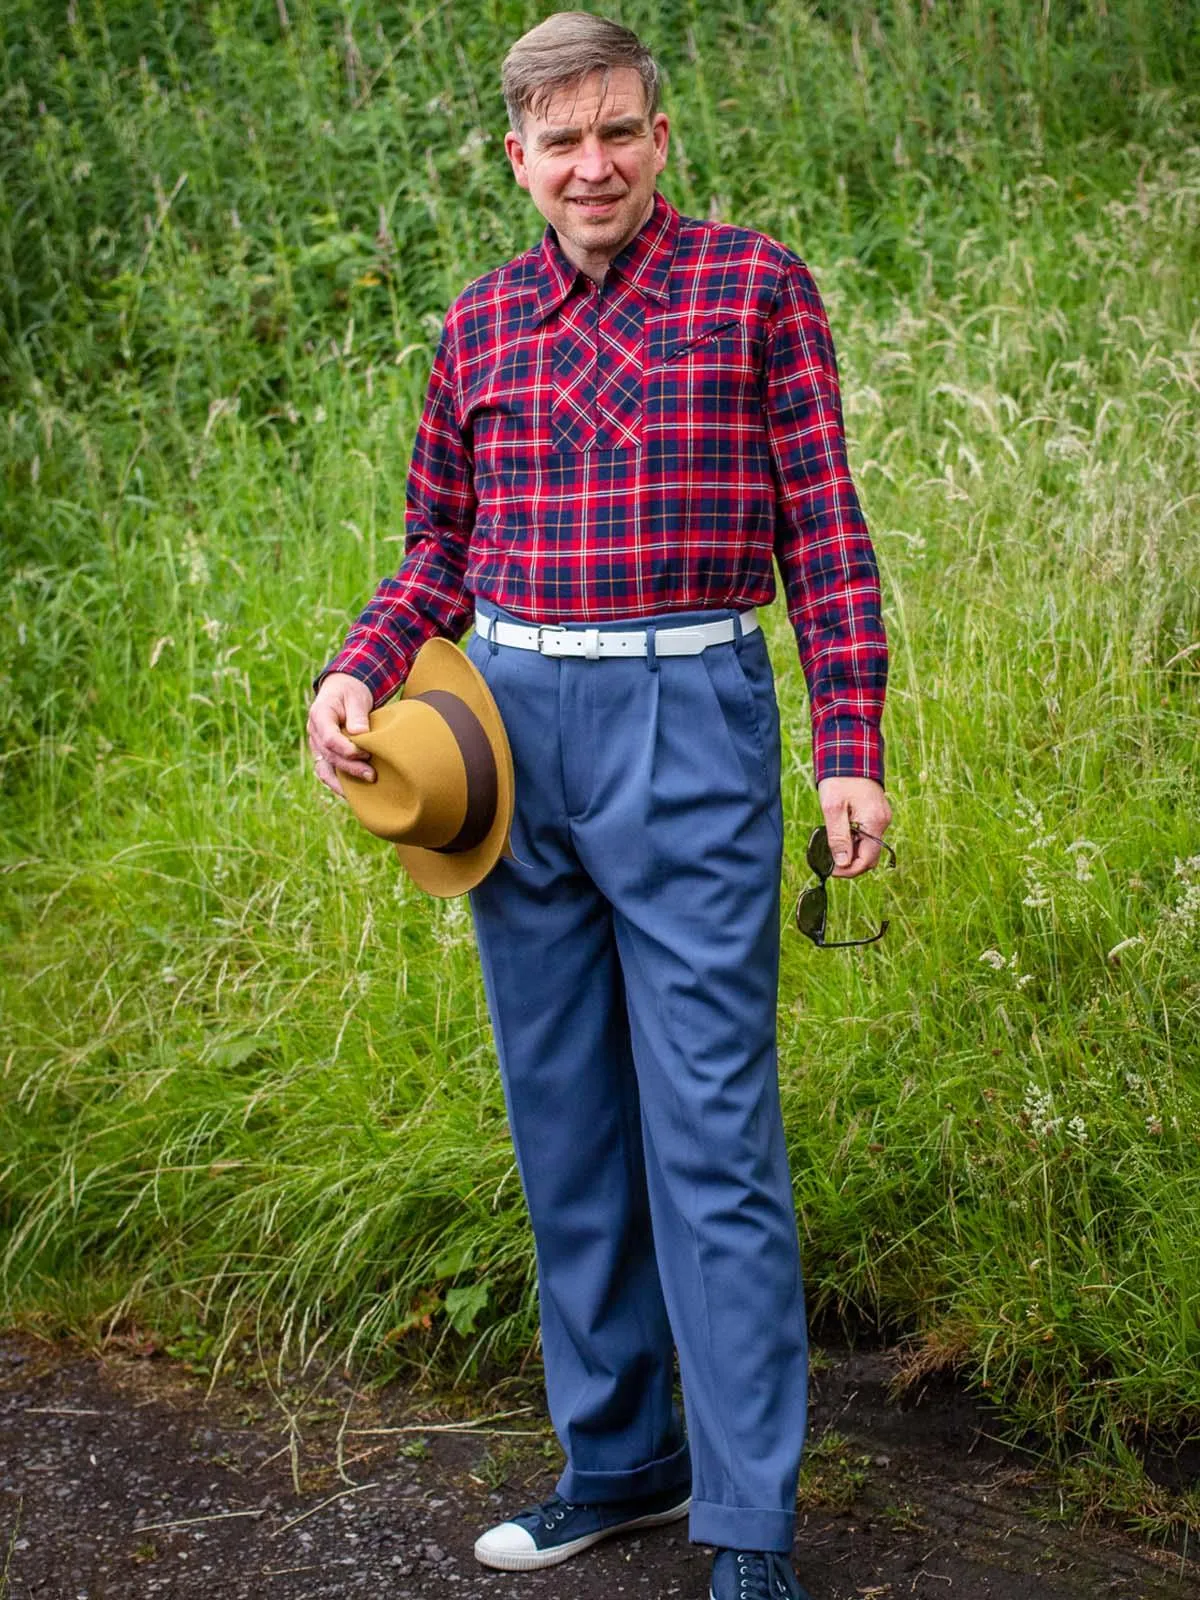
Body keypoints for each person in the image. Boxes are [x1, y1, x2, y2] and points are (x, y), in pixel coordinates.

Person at [307, 13, 890, 1599]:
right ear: (518, 159)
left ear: (658, 134)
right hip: (508, 732)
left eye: (618, 132)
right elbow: (436, 546)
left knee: (711, 1132)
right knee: (566, 1123)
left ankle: (748, 1522)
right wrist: (357, 669)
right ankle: (620, 1460)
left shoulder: (754, 287)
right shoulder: (480, 320)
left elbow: (824, 537)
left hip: (688, 721)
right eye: (561, 142)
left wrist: (851, 739)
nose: (594, 165)